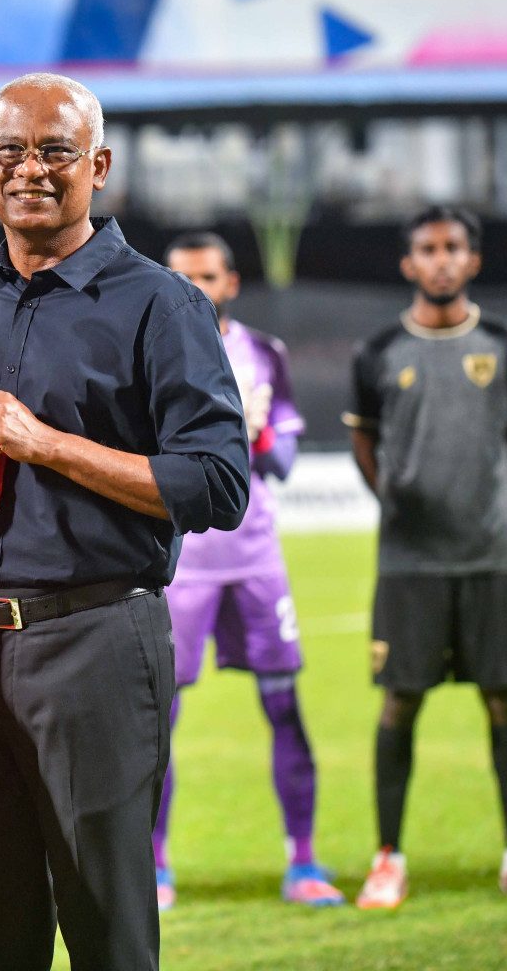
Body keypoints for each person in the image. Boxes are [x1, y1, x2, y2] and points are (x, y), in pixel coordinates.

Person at [0, 73, 249, 971]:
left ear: (97, 166)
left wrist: (48, 445)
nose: (33, 170)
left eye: (56, 150)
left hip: (95, 638)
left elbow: (216, 483)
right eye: (11, 153)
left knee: (107, 928)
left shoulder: (162, 303)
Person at [346, 205, 507, 909]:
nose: (440, 259)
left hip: (488, 554)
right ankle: (389, 858)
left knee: (504, 699)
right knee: (399, 704)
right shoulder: (378, 351)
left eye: (453, 248)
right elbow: (366, 445)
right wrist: (401, 503)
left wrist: (482, 499)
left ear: (473, 260)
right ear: (409, 263)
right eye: (427, 249)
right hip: (408, 563)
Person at [154, 232, 343, 910]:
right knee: (159, 719)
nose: (195, 289)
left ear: (231, 281)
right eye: (182, 277)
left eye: (207, 276)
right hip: (182, 563)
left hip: (256, 555)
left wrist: (257, 436)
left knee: (283, 703)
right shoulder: (148, 352)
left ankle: (303, 861)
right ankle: (156, 868)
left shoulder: (264, 353)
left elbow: (284, 462)